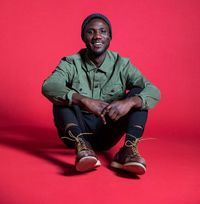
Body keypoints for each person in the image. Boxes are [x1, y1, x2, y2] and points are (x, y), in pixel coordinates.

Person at [42, 13, 160, 175]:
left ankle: (128, 151)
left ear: (110, 37)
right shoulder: (70, 63)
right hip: (76, 132)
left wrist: (130, 102)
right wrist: (83, 100)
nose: (97, 36)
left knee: (139, 94)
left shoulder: (122, 64)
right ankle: (83, 148)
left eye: (103, 31)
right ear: (83, 37)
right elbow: (49, 85)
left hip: (107, 133)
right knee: (63, 97)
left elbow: (153, 90)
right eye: (91, 32)